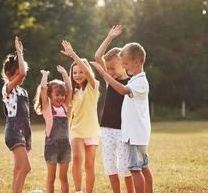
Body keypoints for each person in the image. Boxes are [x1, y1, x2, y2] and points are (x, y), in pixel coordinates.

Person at [91, 42, 153, 193]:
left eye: (126, 64)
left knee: (135, 169)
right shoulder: (136, 80)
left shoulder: (139, 82)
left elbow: (124, 90)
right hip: (135, 134)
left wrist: (105, 74)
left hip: (134, 135)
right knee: (143, 167)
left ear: (136, 61)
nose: (125, 67)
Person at [94, 25, 134, 193]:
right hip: (107, 129)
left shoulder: (132, 83)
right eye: (107, 68)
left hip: (124, 130)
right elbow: (97, 56)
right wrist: (110, 37)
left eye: (112, 68)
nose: (109, 71)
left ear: (124, 65)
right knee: (110, 167)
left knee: (126, 168)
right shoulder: (109, 80)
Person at [61, 40, 100, 193]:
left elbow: (89, 73)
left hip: (92, 131)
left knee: (89, 165)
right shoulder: (72, 93)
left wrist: (73, 56)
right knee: (77, 158)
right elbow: (68, 113)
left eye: (80, 72)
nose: (77, 75)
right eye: (74, 72)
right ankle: (78, 191)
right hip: (76, 130)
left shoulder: (93, 86)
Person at [34, 65, 72, 193]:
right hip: (51, 146)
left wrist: (65, 74)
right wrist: (45, 76)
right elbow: (44, 89)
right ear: (50, 95)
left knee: (64, 177)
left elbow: (70, 89)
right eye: (57, 95)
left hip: (65, 146)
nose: (61, 97)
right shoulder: (47, 108)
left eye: (62, 95)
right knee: (51, 177)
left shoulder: (65, 108)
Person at [2, 36, 31, 193]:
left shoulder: (22, 91)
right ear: (8, 74)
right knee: (26, 167)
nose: (22, 76)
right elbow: (23, 74)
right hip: (13, 131)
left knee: (18, 168)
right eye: (17, 73)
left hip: (22, 130)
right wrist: (20, 53)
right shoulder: (8, 89)